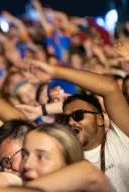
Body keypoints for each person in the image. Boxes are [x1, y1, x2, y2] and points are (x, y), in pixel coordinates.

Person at [19, 59, 129, 191]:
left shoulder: (121, 137)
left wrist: (55, 71)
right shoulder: (65, 159)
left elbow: (110, 88)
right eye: (66, 119)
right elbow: (17, 122)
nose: (71, 122)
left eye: (78, 115)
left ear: (100, 119)